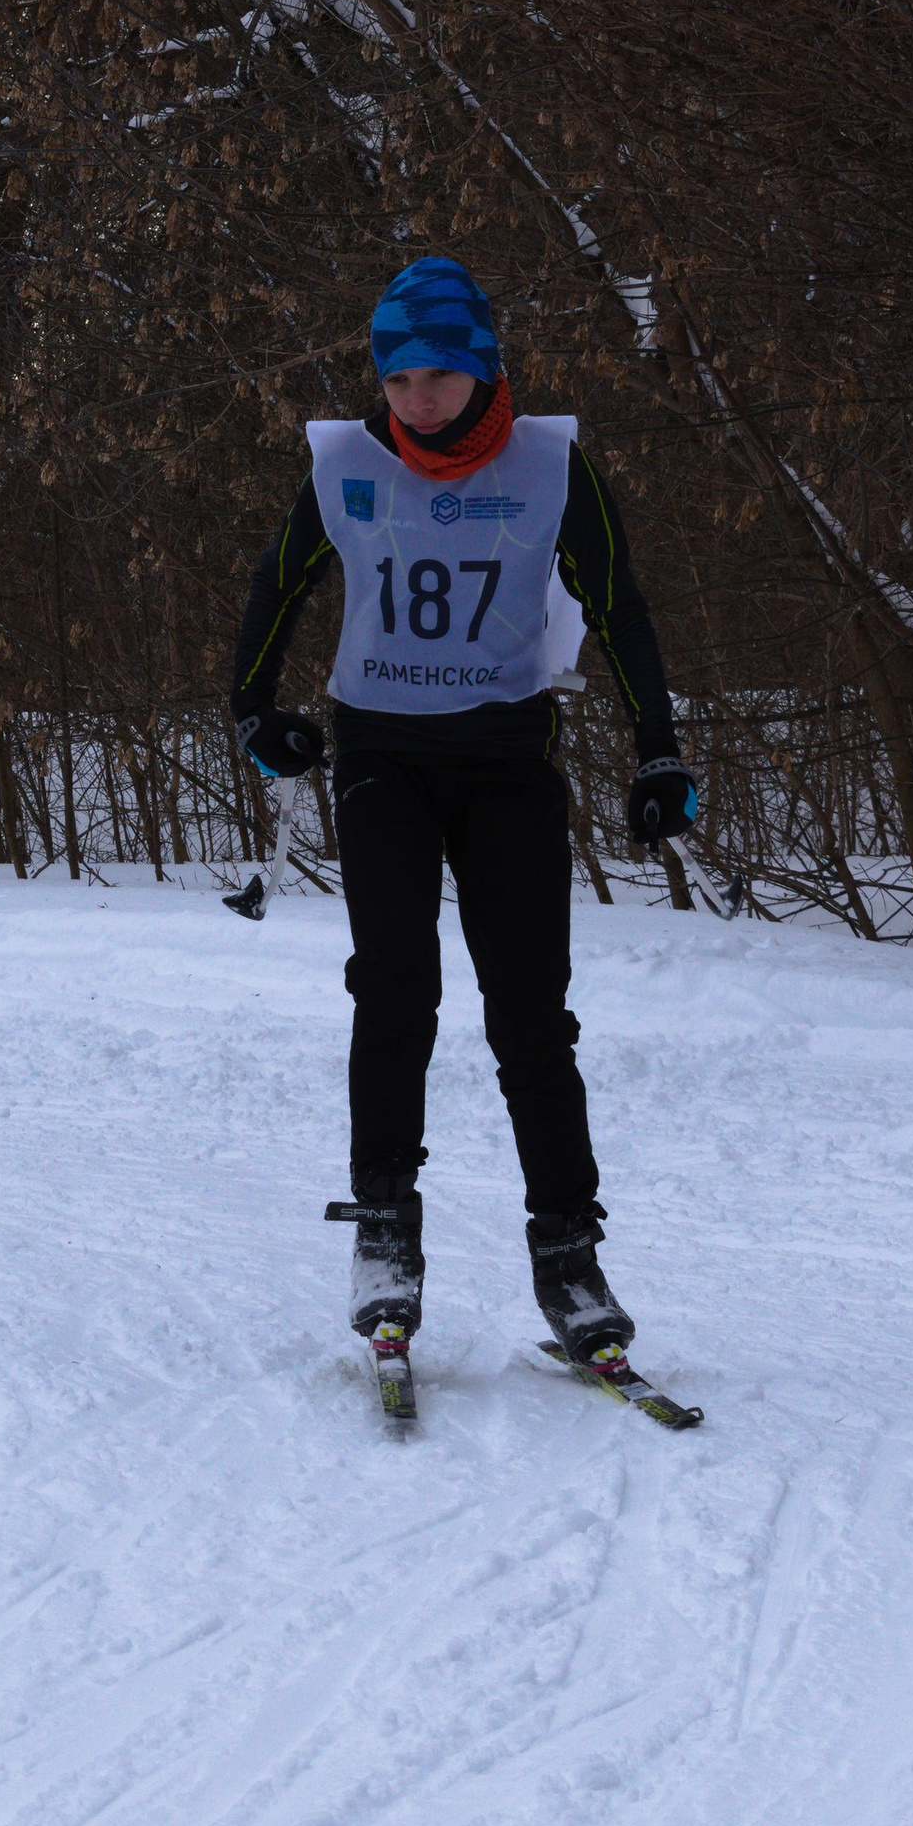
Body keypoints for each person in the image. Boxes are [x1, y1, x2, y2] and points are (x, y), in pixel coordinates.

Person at [230, 257, 696, 1363]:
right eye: (397, 377)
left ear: (481, 368)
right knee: (393, 986)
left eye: (437, 373)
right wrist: (255, 713)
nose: (416, 397)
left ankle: (569, 1257)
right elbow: (276, 581)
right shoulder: (346, 461)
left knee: (531, 1014)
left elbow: (614, 602)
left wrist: (657, 749)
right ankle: (385, 1231)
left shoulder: (549, 465)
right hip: (380, 754)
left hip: (504, 758)